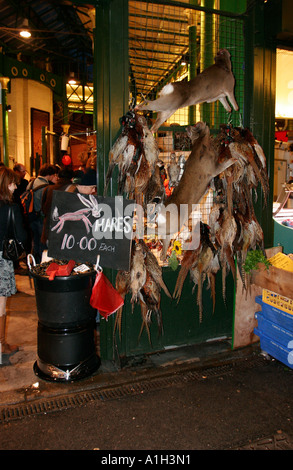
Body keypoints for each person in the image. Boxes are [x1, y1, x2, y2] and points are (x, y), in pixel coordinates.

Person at [0, 167, 27, 354]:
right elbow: (21, 235)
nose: (15, 188)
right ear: (5, 185)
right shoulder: (12, 208)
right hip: (1, 258)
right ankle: (1, 346)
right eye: (13, 184)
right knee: (0, 303)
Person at [26, 164, 59, 263]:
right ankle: (42, 265)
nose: (56, 177)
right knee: (43, 244)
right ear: (50, 175)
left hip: (31, 217)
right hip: (41, 218)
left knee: (36, 242)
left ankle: (35, 263)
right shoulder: (46, 187)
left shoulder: (31, 183)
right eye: (55, 175)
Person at [41, 168, 75, 248]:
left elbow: (43, 209)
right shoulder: (73, 190)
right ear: (71, 178)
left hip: (49, 230)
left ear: (58, 177)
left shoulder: (48, 189)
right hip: (66, 233)